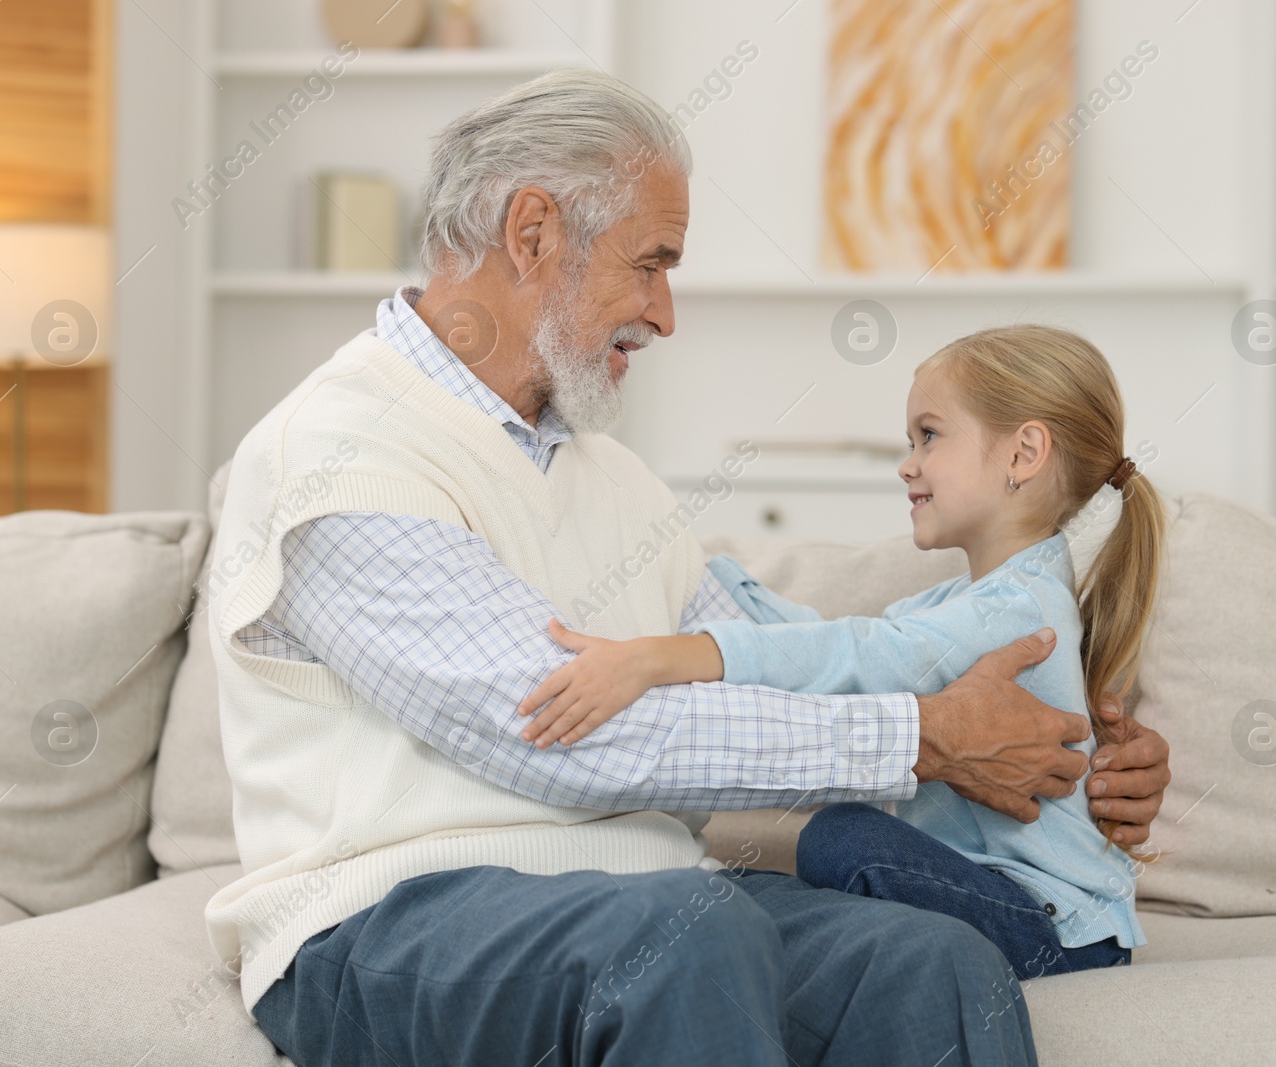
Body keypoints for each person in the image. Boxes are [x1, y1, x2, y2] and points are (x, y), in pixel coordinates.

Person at [204, 67, 1172, 1067]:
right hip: (386, 923)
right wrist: (927, 736)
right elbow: (553, 735)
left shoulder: (613, 479)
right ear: (532, 232)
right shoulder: (343, 451)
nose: (665, 314)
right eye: (650, 264)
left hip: (653, 896)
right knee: (690, 937)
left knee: (932, 960)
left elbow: (761, 664)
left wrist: (1060, 742)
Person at [519, 324, 1162, 979]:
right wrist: (707, 578)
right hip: (1024, 908)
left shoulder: (1014, 612)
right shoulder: (974, 600)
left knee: (843, 836)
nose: (907, 462)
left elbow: (856, 653)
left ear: (1023, 453)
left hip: (1053, 930)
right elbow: (835, 632)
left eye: (930, 435)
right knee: (803, 875)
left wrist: (662, 657)